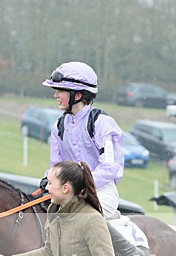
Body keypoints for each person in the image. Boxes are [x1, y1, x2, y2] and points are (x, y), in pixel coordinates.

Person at [42, 61, 124, 219]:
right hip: (68, 192)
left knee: (79, 220)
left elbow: (109, 168)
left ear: (77, 95)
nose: (56, 95)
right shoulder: (58, 126)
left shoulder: (102, 123)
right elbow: (56, 165)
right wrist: (49, 179)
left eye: (60, 90)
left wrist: (79, 185)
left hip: (100, 192)